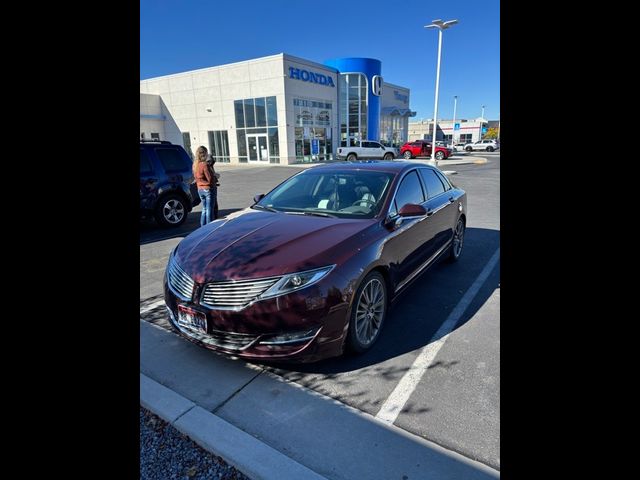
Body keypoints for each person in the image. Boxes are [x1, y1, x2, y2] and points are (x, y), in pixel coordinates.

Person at [192, 146, 216, 226]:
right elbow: (209, 179)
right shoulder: (204, 165)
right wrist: (215, 177)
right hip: (207, 189)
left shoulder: (195, 165)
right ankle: (209, 227)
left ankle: (202, 227)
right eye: (206, 152)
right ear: (204, 153)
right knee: (210, 209)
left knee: (204, 208)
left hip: (200, 189)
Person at [206, 154, 220, 220]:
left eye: (211, 161)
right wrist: (215, 175)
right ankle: (211, 219)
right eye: (209, 161)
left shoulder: (211, 166)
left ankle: (215, 217)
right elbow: (210, 177)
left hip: (213, 186)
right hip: (209, 187)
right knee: (210, 206)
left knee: (214, 204)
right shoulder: (207, 167)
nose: (210, 162)